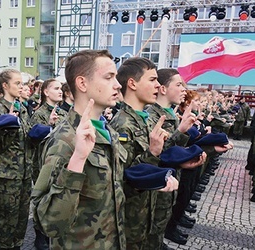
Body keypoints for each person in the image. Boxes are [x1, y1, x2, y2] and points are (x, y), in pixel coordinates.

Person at [32, 49, 128, 249]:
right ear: (82, 83)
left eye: (116, 77)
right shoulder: (64, 140)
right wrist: (77, 159)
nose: (118, 85)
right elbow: (48, 223)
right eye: (109, 77)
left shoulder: (107, 131)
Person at [110, 58, 200, 250]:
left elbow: (160, 159)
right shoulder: (123, 125)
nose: (158, 85)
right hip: (130, 218)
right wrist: (152, 153)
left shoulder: (144, 120)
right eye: (152, 80)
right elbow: (123, 179)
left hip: (146, 212)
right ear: (132, 83)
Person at [0, 69, 32, 250]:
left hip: (24, 172)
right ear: (5, 86)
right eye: (17, 84)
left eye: (22, 84)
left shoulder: (21, 108)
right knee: (8, 218)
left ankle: (18, 245)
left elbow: (27, 136)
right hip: (8, 174)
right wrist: (8, 126)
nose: (21, 87)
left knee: (22, 217)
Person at [29, 78, 68, 250]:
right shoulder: (40, 113)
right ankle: (40, 234)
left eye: (61, 88)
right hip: (43, 164)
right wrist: (49, 125)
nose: (60, 91)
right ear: (46, 92)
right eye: (56, 88)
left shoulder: (63, 112)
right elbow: (33, 140)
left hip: (59, 164)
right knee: (42, 199)